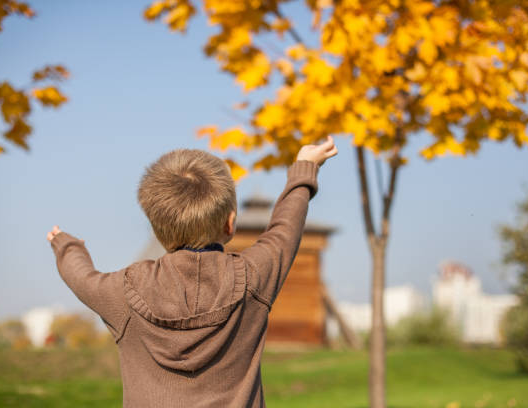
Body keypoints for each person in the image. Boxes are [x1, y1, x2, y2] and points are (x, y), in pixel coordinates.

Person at [47, 136, 338, 407]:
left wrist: (67, 246)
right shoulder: (254, 278)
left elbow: (82, 277)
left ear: (157, 229)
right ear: (230, 222)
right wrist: (305, 168)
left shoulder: (123, 291)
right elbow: (284, 230)